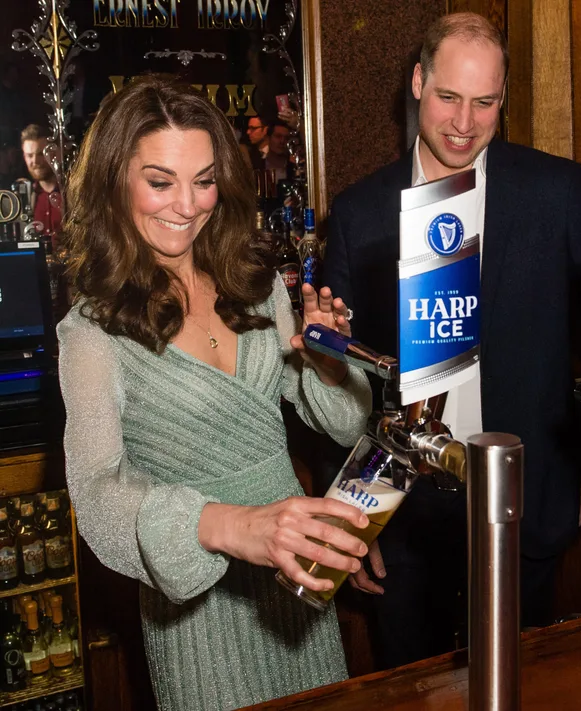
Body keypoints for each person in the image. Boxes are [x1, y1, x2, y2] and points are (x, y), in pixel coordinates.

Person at [57, 76, 373, 711]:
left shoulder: (255, 285)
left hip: (295, 581)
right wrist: (234, 527)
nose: (187, 205)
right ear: (116, 179)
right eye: (160, 181)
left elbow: (345, 424)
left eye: (203, 180)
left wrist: (329, 365)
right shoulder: (90, 331)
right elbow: (94, 494)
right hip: (199, 609)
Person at [323, 11, 581, 669]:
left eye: (485, 102)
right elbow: (336, 379)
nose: (464, 122)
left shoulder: (556, 190)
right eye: (449, 97)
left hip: (525, 505)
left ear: (504, 97)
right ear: (417, 83)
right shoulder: (359, 213)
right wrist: (351, 514)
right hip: (401, 520)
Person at [20, 124, 62, 247]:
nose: (35, 161)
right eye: (29, 155)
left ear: (55, 154)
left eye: (40, 154)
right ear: (24, 157)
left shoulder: (73, 194)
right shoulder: (24, 198)